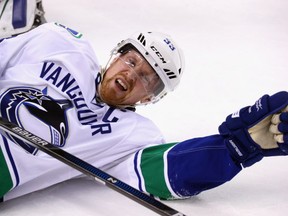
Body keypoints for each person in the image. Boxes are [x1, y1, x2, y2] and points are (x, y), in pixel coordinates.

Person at [1, 4, 288, 203]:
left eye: (147, 79)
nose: (131, 74)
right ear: (115, 55)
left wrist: (240, 148)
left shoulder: (130, 135)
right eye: (131, 60)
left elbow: (165, 171)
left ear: (150, 98)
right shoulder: (59, 43)